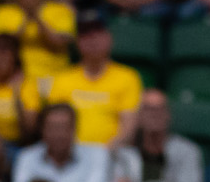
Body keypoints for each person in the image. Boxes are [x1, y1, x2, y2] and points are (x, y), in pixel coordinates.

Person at [108, 88, 201, 182]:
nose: (154, 114)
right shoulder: (124, 153)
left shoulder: (187, 151)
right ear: (139, 116)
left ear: (168, 114)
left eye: (159, 109)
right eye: (148, 109)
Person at [42, 12, 138, 150]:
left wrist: (104, 153)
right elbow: (54, 126)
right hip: (69, 155)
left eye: (97, 32)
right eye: (85, 34)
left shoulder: (128, 77)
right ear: (78, 42)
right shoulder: (62, 79)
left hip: (112, 153)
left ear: (108, 37)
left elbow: (128, 127)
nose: (92, 39)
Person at [0, 0, 73, 95]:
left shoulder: (60, 10)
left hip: (53, 77)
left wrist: (37, 17)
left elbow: (59, 42)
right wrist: (25, 21)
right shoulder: (2, 12)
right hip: (14, 78)